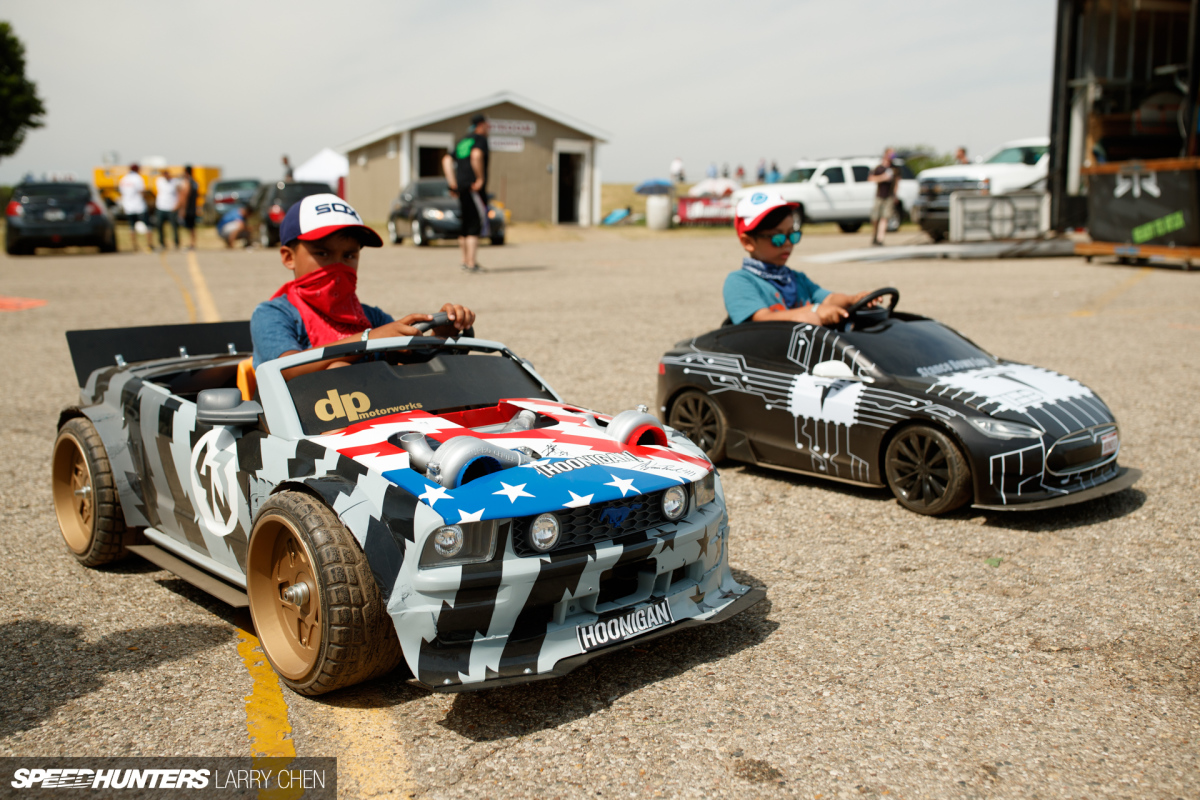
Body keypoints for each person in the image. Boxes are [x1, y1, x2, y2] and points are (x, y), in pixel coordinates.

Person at [250, 193, 474, 379]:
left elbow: (412, 361)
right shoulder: (274, 314)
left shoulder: (371, 317)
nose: (338, 266)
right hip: (304, 417)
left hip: (381, 413)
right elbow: (284, 369)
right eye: (323, 254)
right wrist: (368, 340)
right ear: (289, 257)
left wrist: (440, 338)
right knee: (339, 371)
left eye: (349, 255)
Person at [723, 190, 876, 326]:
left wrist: (853, 299)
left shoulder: (796, 279)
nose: (788, 243)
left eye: (792, 235)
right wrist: (813, 311)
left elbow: (829, 299)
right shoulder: (740, 281)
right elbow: (761, 319)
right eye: (778, 238)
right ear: (748, 242)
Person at [442, 113, 490, 272]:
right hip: (473, 188)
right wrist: (480, 178)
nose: (489, 128)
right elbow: (476, 155)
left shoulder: (463, 141)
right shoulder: (480, 140)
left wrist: (453, 184)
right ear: (481, 125)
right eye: (488, 125)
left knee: (465, 225)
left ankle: (464, 260)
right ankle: (471, 264)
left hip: (462, 189)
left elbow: (446, 160)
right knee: (474, 225)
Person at [868, 148, 900, 246]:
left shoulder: (895, 168)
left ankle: (880, 239)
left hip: (889, 196)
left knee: (885, 217)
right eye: (891, 154)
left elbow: (897, 182)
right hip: (879, 196)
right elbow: (871, 178)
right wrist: (883, 177)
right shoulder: (879, 168)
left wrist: (895, 195)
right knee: (875, 218)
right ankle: (875, 235)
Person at [117, 164, 152, 252]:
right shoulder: (138, 178)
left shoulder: (124, 179)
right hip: (139, 206)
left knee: (132, 227)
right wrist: (147, 201)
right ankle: (149, 244)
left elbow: (121, 191)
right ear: (137, 169)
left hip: (128, 207)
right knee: (147, 226)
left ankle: (134, 246)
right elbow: (141, 191)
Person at [154, 171, 180, 250]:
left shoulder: (175, 182)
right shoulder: (159, 181)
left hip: (172, 208)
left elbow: (179, 192)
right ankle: (162, 243)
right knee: (159, 225)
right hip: (161, 207)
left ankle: (176, 243)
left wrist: (177, 205)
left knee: (174, 226)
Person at [177, 165, 199, 250]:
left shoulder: (187, 182)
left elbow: (185, 196)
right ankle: (192, 243)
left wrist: (182, 209)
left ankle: (189, 243)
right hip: (193, 207)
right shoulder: (195, 182)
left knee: (187, 227)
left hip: (188, 208)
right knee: (192, 227)